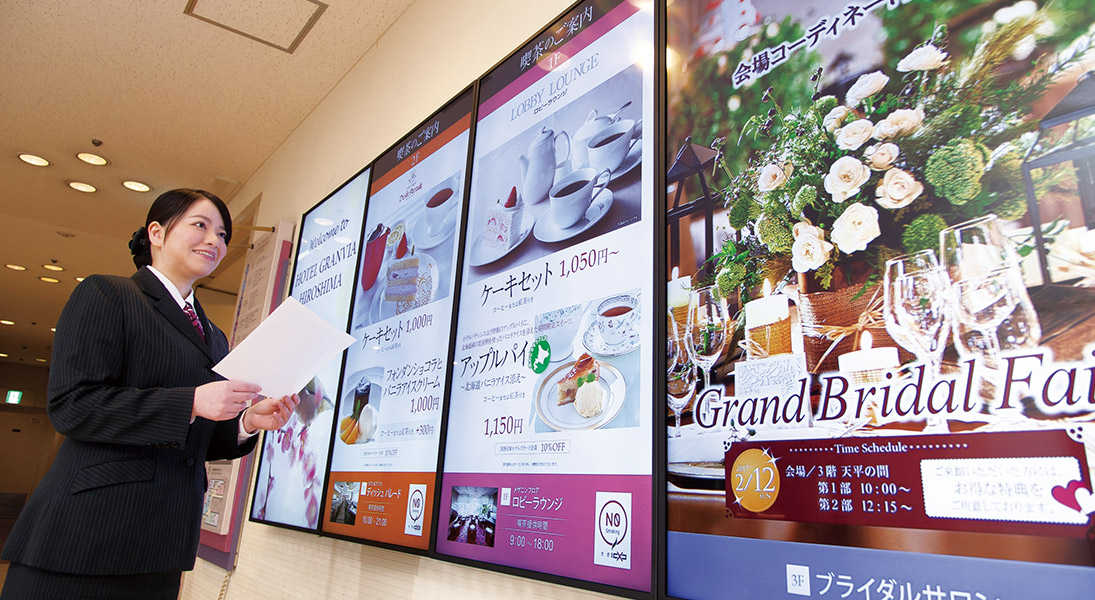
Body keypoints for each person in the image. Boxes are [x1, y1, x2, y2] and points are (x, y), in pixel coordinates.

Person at [1, 189, 299, 599]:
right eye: (201, 225)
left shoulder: (214, 336)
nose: (214, 240)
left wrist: (245, 422)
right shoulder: (108, 294)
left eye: (222, 234)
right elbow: (73, 405)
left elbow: (193, 439)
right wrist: (192, 402)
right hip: (85, 537)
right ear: (156, 233)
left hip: (162, 547)